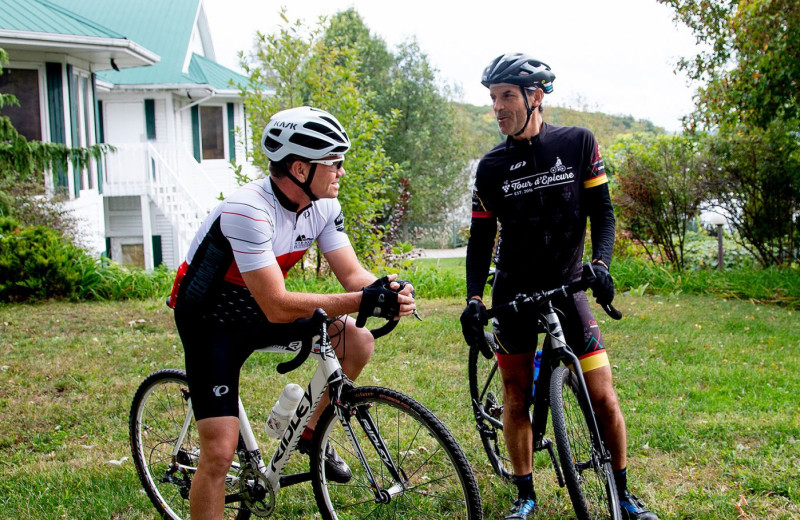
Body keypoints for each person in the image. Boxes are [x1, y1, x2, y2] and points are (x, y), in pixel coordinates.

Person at [167, 106, 417, 520]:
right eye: (333, 163)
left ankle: (311, 432)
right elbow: (278, 304)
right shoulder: (248, 209)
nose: (340, 171)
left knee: (356, 339)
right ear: (300, 168)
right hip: (212, 320)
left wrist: (386, 288)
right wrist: (363, 300)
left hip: (262, 307)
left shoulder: (323, 207)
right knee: (218, 450)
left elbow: (353, 275)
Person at [460, 53, 658, 520]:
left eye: (506, 96)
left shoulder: (577, 143)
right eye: (492, 98)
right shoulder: (490, 168)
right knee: (515, 393)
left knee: (604, 394)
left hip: (569, 289)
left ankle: (623, 493)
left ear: (536, 96)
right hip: (513, 294)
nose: (498, 107)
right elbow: (480, 238)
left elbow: (603, 213)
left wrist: (602, 264)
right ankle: (524, 493)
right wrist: (473, 299)